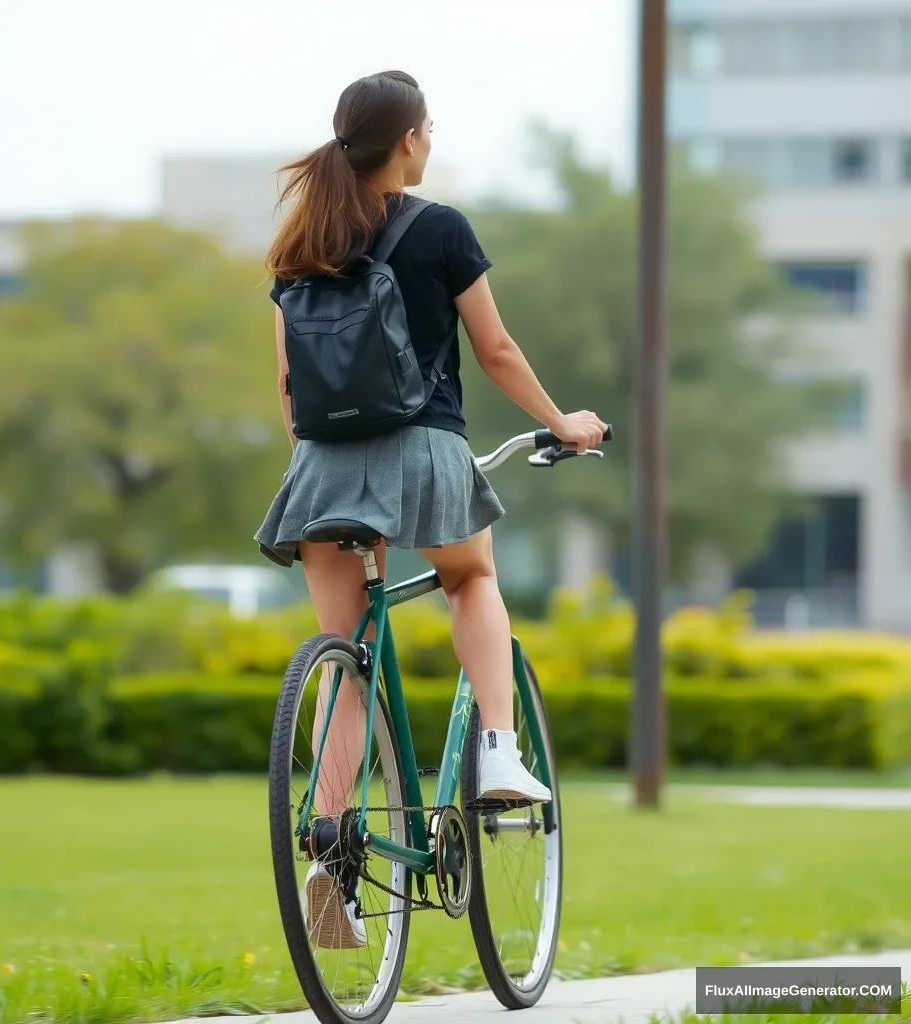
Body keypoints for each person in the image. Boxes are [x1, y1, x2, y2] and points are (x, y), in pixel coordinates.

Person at [256, 70, 607, 947]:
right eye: (429, 130)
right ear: (409, 141)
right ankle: (498, 747)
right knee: (470, 579)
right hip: (425, 451)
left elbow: (291, 384)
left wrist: (320, 466)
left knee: (347, 658)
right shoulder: (439, 227)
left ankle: (332, 840)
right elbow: (494, 349)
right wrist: (565, 423)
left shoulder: (298, 242)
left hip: (323, 470)